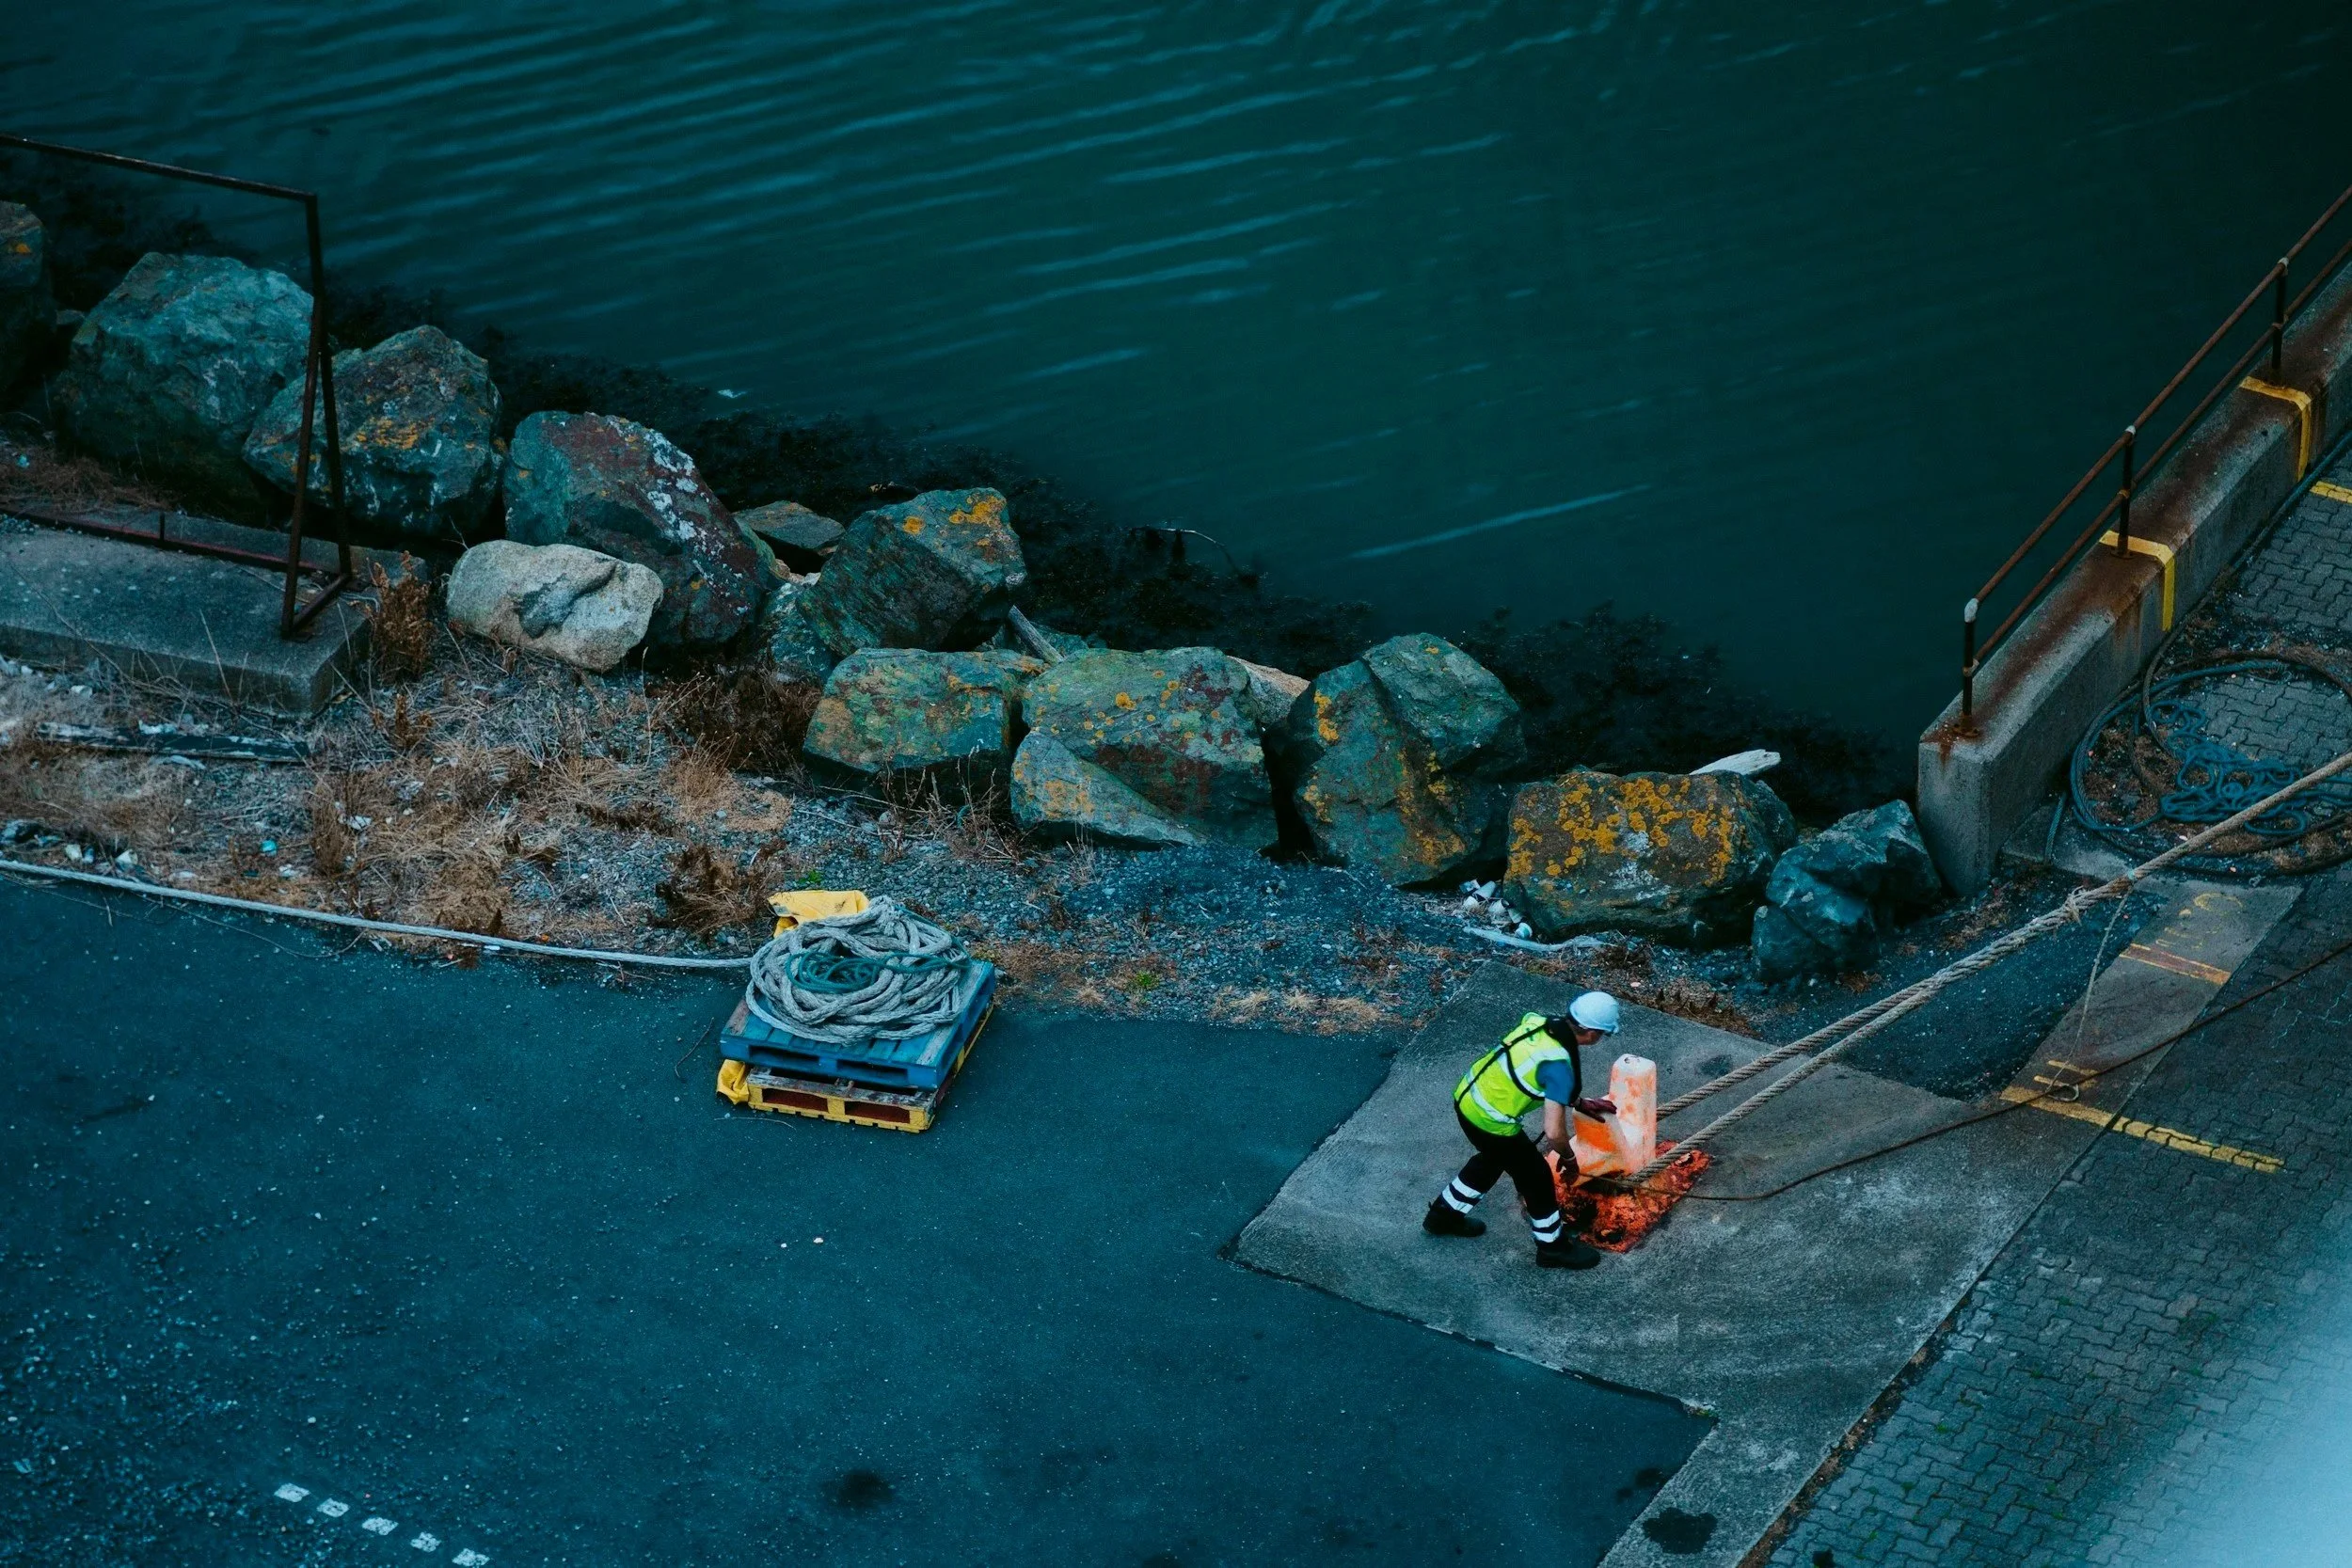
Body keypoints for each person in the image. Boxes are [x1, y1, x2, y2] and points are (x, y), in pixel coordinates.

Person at [1423, 990, 1623, 1271]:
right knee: (1536, 1177)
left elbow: (1533, 1071)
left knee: (1493, 1160)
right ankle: (1552, 1249)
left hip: (1467, 1099)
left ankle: (1441, 1217)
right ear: (1591, 1033)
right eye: (1604, 1034)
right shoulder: (1558, 1066)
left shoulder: (1538, 1023)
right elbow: (1554, 1132)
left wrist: (1579, 1102)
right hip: (1490, 1121)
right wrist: (1568, 1158)